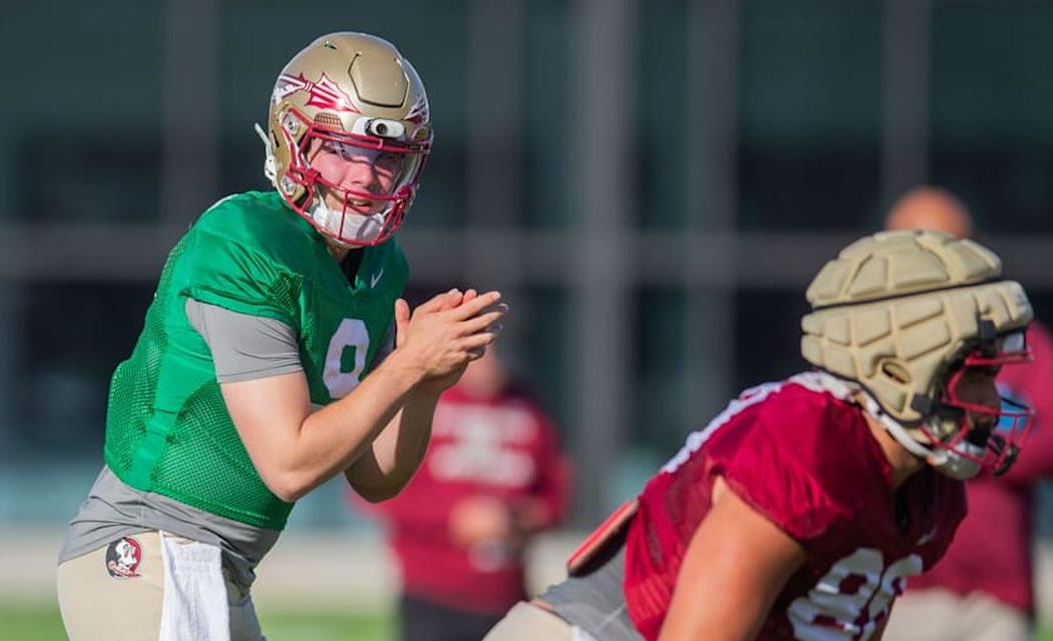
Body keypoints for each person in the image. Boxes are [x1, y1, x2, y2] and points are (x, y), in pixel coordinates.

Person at [56, 32, 507, 641]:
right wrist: (404, 367)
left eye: (386, 158)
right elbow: (290, 465)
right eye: (343, 150)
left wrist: (424, 384)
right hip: (153, 549)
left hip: (224, 567)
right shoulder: (245, 243)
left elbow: (374, 478)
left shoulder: (380, 268)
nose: (367, 176)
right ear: (294, 138)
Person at [481, 229, 1036, 641]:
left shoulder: (929, 489)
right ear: (896, 365)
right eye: (978, 376)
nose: (993, 404)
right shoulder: (808, 445)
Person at [883, 187, 1053, 641]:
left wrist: (963, 447)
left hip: (995, 594)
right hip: (902, 586)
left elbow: (1047, 437)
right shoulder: (875, 345)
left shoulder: (1017, 338)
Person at [360, 346, 571, 641]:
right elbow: (376, 489)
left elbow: (556, 497)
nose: (494, 364)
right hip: (434, 593)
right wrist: (453, 518)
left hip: (505, 594)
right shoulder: (426, 401)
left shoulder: (529, 407)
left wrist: (517, 520)